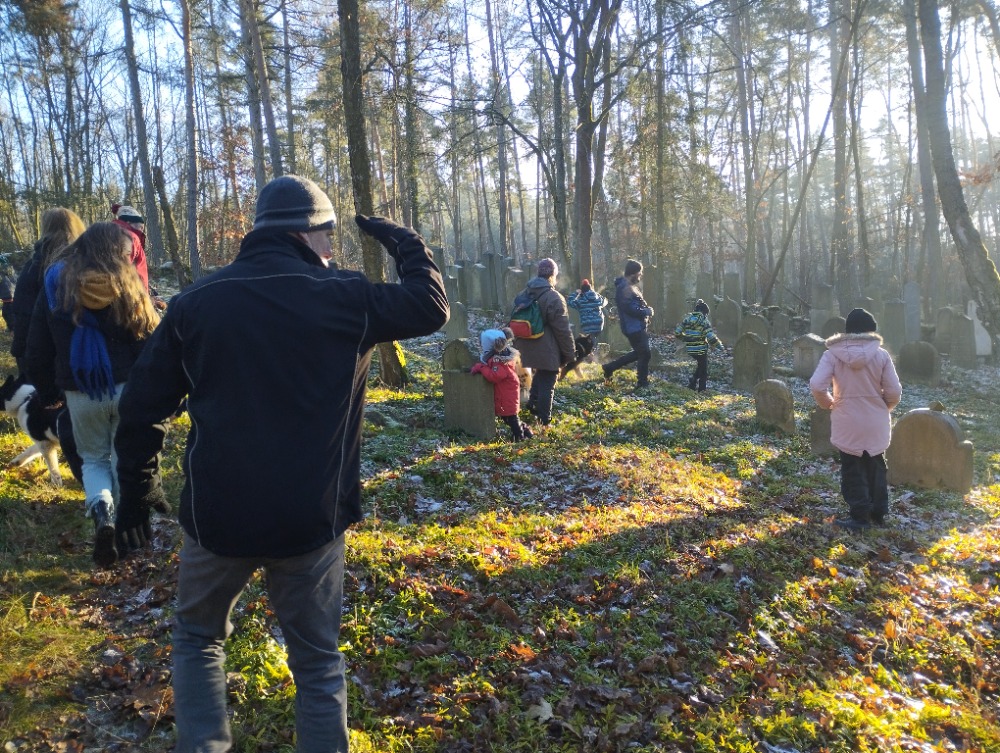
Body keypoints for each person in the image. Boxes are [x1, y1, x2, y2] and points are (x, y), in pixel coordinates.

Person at [113, 174, 449, 753]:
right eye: (328, 236)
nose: (332, 249)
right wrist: (403, 241)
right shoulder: (347, 297)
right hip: (309, 518)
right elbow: (430, 306)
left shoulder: (197, 303)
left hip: (218, 515)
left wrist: (136, 495)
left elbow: (141, 409)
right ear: (308, 234)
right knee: (317, 662)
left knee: (198, 640)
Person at [24, 222, 161, 565]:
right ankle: (130, 540)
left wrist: (48, 393)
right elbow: (150, 337)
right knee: (122, 458)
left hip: (81, 391)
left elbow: (36, 348)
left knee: (94, 460)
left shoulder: (56, 282)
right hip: (128, 388)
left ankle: (104, 515)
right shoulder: (128, 282)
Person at [809, 308, 902, 531]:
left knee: (852, 467)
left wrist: (829, 403)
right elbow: (895, 391)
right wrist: (883, 407)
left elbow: (816, 385)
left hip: (847, 418)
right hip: (876, 420)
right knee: (876, 465)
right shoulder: (881, 355)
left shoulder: (832, 354)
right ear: (871, 331)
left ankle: (859, 516)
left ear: (848, 331)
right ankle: (878, 512)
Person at [10, 208, 87, 373]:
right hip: (86, 353)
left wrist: (22, 355)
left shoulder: (34, 267)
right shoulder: (88, 263)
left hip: (44, 354)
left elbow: (23, 313)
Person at [512, 258, 574, 426]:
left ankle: (532, 404)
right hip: (546, 347)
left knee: (541, 374)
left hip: (523, 345)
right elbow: (562, 329)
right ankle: (544, 421)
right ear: (553, 275)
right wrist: (569, 353)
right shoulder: (554, 297)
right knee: (548, 380)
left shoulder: (524, 293)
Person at [471, 328, 532, 441]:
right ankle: (525, 430)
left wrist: (481, 367)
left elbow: (494, 376)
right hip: (505, 393)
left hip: (507, 395)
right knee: (508, 418)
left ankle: (519, 437)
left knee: (511, 418)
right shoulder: (499, 356)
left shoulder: (499, 361)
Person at [602, 259, 654, 390]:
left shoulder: (629, 286)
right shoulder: (624, 288)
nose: (640, 275)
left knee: (640, 353)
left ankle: (610, 367)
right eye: (639, 273)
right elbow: (629, 309)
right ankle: (642, 383)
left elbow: (635, 305)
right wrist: (646, 311)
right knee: (645, 353)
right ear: (633, 273)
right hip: (633, 327)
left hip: (636, 326)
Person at [674, 299, 724, 392]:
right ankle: (702, 389)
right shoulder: (704, 321)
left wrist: (685, 338)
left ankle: (692, 383)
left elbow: (677, 332)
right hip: (701, 349)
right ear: (705, 312)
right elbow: (711, 337)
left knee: (700, 366)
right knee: (703, 371)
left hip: (690, 349)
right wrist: (720, 346)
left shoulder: (687, 319)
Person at [564, 278, 607, 379]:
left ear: (582, 290)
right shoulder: (596, 298)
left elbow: (570, 301)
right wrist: (595, 293)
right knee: (593, 340)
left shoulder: (581, 300)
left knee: (588, 343)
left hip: (587, 325)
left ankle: (592, 359)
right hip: (598, 324)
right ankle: (594, 357)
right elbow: (604, 301)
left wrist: (576, 293)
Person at [111, 203, 150, 291]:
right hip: (130, 293)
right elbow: (124, 269)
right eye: (140, 227)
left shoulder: (105, 233)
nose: (142, 230)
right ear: (129, 222)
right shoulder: (131, 238)